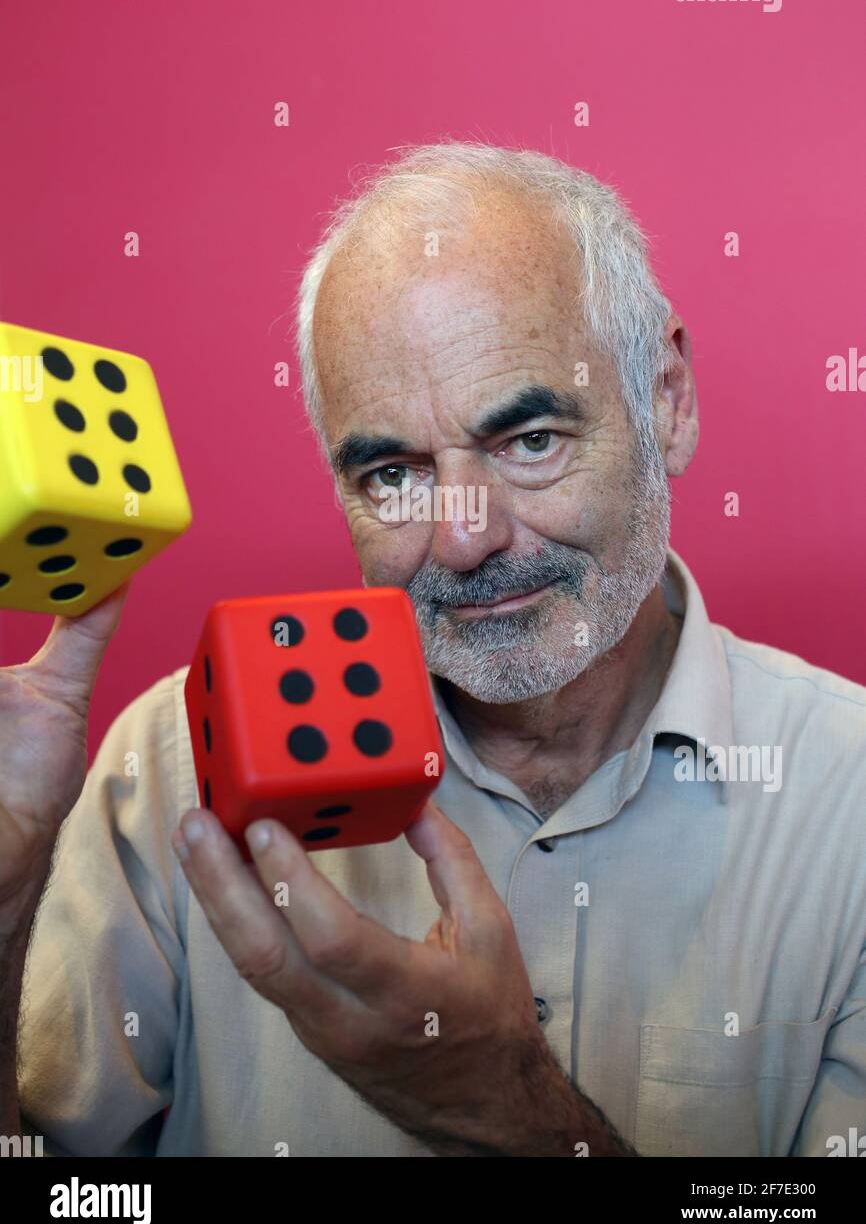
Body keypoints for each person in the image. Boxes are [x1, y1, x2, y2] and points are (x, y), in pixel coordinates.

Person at [2, 143, 864, 1157]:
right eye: (392, 474)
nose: (464, 538)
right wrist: (8, 900)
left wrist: (504, 1108)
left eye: (528, 439)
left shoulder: (844, 796)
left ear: (664, 397)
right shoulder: (168, 770)